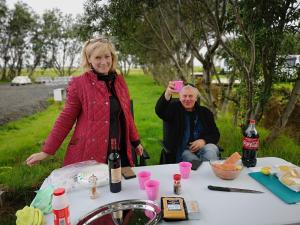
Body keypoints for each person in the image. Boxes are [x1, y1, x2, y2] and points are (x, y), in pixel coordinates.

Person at [26, 37, 143, 167]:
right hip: (90, 153)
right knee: (95, 186)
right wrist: (46, 151)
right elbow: (66, 119)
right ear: (89, 59)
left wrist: (136, 141)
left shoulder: (119, 82)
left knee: (118, 185)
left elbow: (127, 115)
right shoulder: (79, 84)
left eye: (107, 56)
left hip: (118, 149)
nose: (104, 62)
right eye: (98, 57)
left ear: (112, 57)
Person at [155, 81, 220, 163]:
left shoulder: (205, 112)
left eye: (191, 96)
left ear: (196, 98)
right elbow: (159, 111)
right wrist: (167, 93)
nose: (187, 99)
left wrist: (203, 141)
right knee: (191, 160)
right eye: (184, 96)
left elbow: (215, 134)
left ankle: (208, 172)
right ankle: (204, 172)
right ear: (180, 97)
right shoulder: (173, 109)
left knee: (211, 150)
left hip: (204, 147)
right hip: (183, 150)